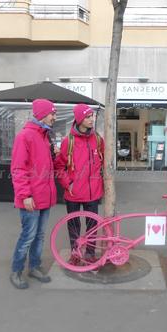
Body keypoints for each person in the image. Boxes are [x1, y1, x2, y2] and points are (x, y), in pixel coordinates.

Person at [9, 99, 57, 289]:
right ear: (42, 114)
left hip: (44, 197)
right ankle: (17, 270)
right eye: (52, 113)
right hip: (31, 198)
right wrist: (25, 195)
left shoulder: (44, 135)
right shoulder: (25, 136)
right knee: (28, 236)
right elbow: (18, 169)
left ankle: (34, 267)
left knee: (40, 235)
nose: (55, 117)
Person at [54, 104, 104, 265]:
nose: (92, 119)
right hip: (73, 193)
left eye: (92, 116)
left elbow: (104, 162)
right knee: (73, 226)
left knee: (92, 226)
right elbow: (59, 167)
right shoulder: (68, 142)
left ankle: (89, 255)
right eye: (88, 117)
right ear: (79, 119)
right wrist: (68, 184)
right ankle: (75, 254)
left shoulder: (98, 139)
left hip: (93, 193)